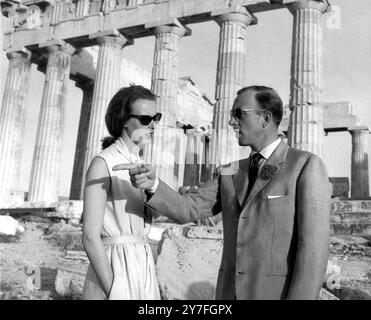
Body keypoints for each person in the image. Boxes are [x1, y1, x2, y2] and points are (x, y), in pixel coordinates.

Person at [114, 85, 331, 300]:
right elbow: (187, 208)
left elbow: (313, 251)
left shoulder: (305, 166)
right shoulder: (231, 169)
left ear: (265, 119)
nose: (230, 121)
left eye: (238, 114)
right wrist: (153, 184)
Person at [82, 85, 162, 300]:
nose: (153, 124)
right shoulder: (103, 162)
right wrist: (116, 291)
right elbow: (90, 236)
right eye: (146, 119)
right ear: (124, 119)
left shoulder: (139, 164)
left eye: (156, 117)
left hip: (141, 263)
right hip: (113, 266)